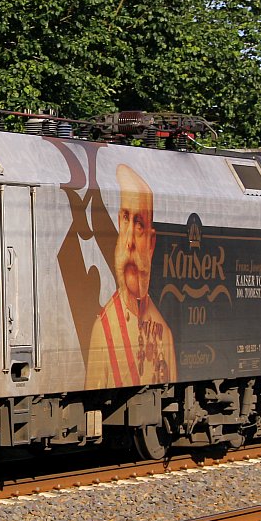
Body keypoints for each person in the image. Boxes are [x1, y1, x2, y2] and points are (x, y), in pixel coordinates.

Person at [86, 164, 175, 388]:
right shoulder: (104, 330)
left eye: (139, 224)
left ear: (152, 242)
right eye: (126, 219)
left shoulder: (165, 334)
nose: (129, 242)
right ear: (118, 222)